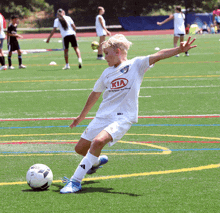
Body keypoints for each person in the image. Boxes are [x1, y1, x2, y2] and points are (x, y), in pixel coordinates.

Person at [59, 34, 197, 194]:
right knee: (80, 149)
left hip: (123, 117)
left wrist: (178, 50)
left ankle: (75, 182)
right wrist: (81, 117)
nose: (105, 58)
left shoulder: (136, 64)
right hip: (102, 117)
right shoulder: (106, 73)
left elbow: (158, 55)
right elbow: (95, 94)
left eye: (107, 54)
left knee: (97, 142)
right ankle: (95, 162)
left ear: (117, 51)